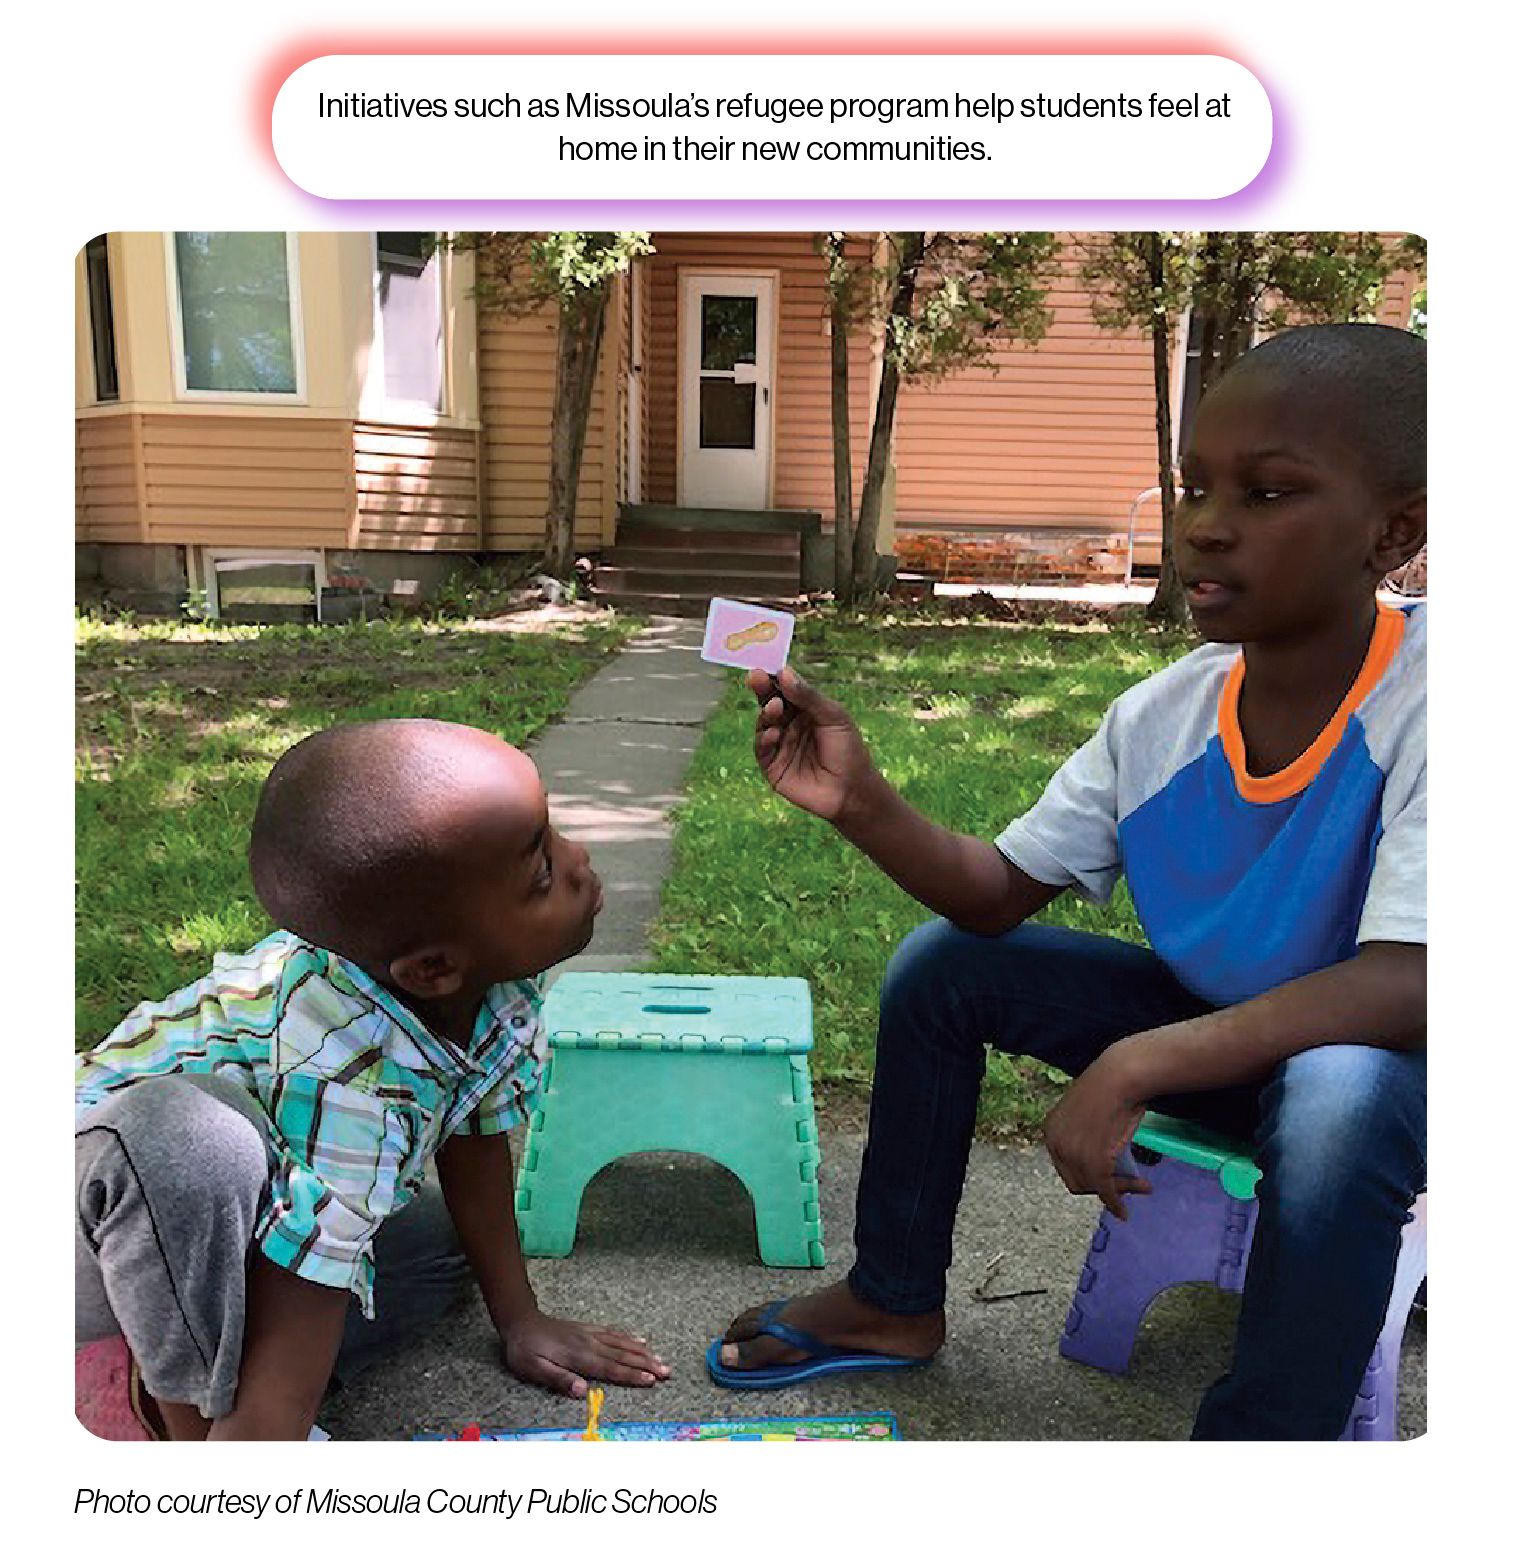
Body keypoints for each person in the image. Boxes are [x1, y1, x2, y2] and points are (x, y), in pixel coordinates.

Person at [708, 323, 1427, 1441]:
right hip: (1233, 1038)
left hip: (1401, 1081)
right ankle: (891, 1301)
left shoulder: (1441, 699)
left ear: (1395, 531)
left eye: (1268, 493)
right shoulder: (1162, 719)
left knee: (1338, 1089)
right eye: (1194, 487)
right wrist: (863, 802)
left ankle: (1270, 1449)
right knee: (946, 968)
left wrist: (1142, 1057)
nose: (1205, 525)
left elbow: (1412, 984)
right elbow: (994, 895)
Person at [76, 719, 671, 1440]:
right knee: (198, 1145)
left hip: (225, 1227)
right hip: (99, 1231)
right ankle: (166, 1409)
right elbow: (307, 1265)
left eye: (551, 835)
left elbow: (471, 1129)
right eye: (542, 870)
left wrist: (521, 1319)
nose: (579, 859)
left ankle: (198, 1385)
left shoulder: (483, 978)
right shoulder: (346, 1077)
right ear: (432, 968)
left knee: (436, 1243)